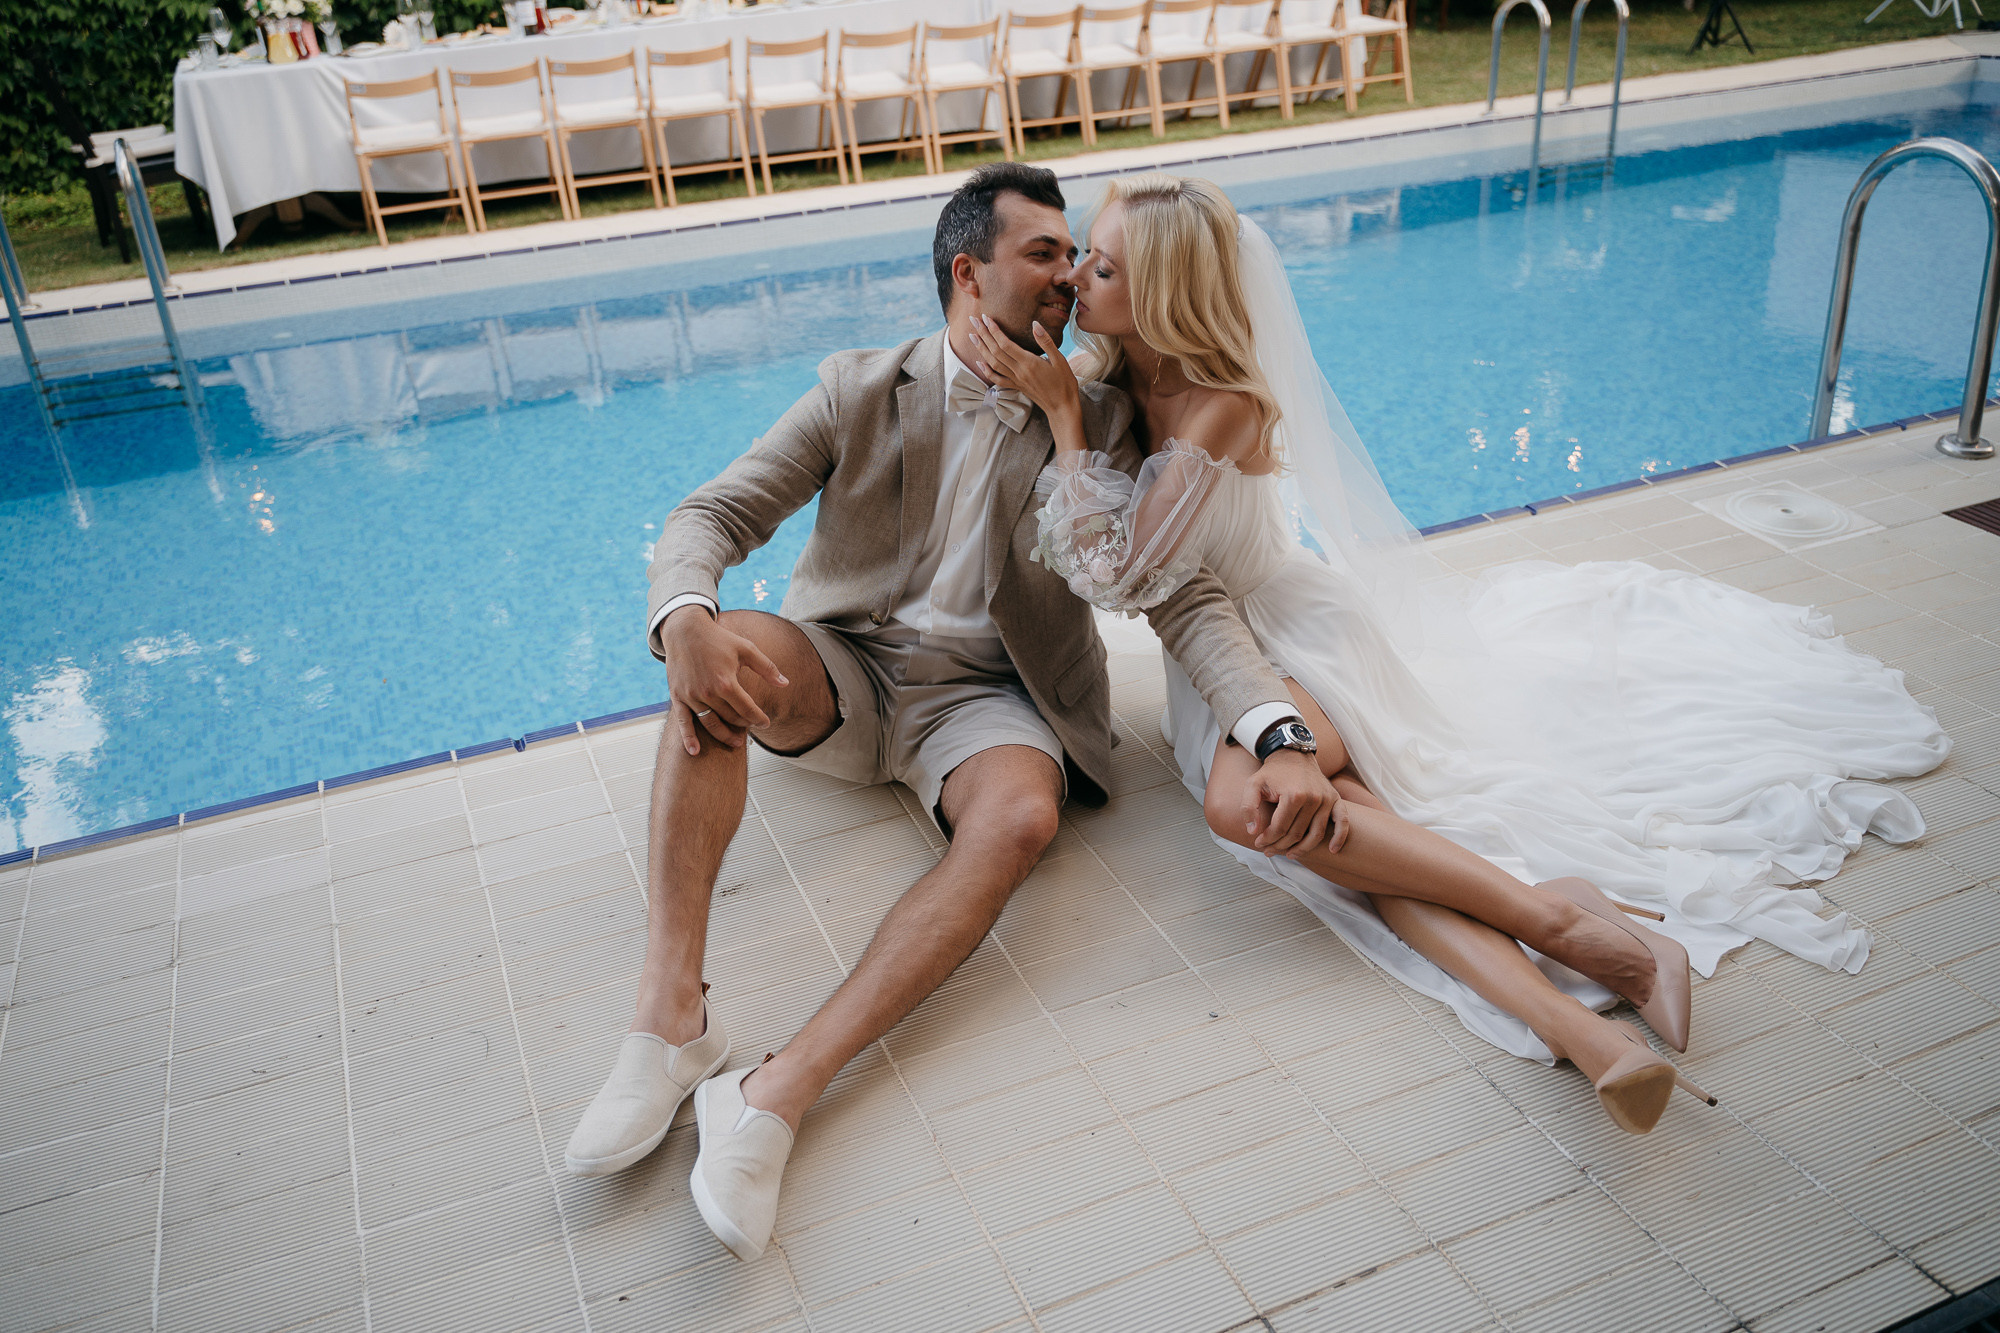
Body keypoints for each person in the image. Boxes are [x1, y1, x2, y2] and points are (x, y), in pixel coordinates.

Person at [966, 172, 1949, 1135]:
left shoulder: (1220, 400)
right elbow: (1112, 540)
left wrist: (1059, 417)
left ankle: (1568, 930)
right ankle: (1589, 1005)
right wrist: (1037, 377)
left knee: (1247, 803)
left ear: (1165, 293)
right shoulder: (1110, 380)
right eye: (1082, 260)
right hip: (1218, 670)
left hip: (1299, 640)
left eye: (1102, 267)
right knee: (1347, 838)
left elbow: (1125, 572)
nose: (1076, 281)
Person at [562, 163, 1341, 1263]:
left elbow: (1180, 593)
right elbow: (714, 511)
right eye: (1044, 253)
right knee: (715, 655)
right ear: (967, 272)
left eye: (1076, 257)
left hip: (990, 700)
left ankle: (773, 1093)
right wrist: (686, 613)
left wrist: (1274, 727)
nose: (1070, 276)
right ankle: (669, 1019)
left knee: (1022, 820)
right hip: (845, 662)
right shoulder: (859, 387)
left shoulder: (1098, 416)